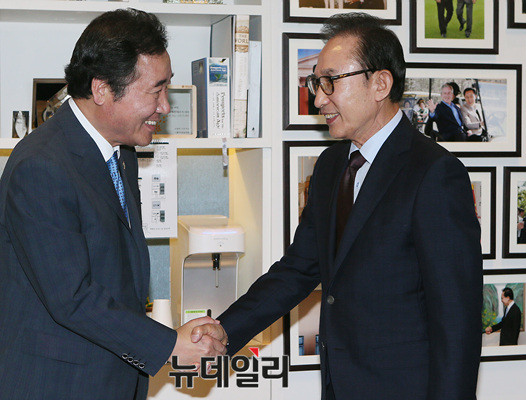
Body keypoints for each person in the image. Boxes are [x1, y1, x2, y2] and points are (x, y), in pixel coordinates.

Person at [195, 12, 482, 400]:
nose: (318, 99)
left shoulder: (434, 173)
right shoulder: (331, 166)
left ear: (380, 83)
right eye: (316, 83)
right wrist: (226, 329)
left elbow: (456, 318)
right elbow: (299, 269)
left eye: (330, 82)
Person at [0, 9, 226, 400]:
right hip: (49, 387)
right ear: (103, 89)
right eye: (155, 91)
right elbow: (72, 298)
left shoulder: (120, 153)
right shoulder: (42, 166)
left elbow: (117, 278)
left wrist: (170, 337)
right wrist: (169, 345)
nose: (165, 107)